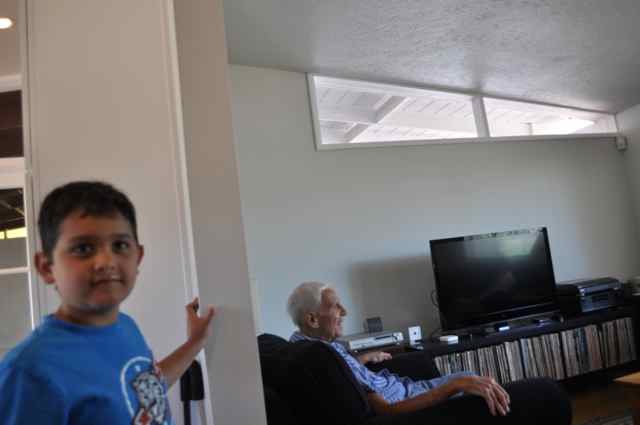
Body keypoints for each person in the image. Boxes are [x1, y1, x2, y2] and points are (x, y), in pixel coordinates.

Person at [0, 181, 215, 424]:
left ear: (138, 257)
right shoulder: (29, 372)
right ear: (46, 267)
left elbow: (142, 395)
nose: (106, 261)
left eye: (120, 245)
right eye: (83, 248)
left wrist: (195, 342)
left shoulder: (125, 326)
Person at [287, 281, 510, 416]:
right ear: (312, 319)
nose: (343, 312)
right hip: (404, 402)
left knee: (471, 379)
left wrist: (365, 357)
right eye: (335, 306)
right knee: (472, 383)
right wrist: (453, 387)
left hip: (401, 388)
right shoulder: (321, 355)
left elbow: (342, 371)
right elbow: (387, 411)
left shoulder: (309, 346)